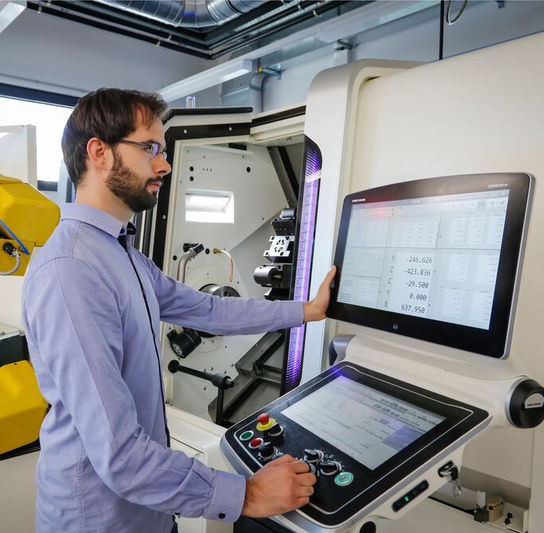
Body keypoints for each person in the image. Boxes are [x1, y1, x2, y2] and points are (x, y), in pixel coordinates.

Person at [22, 88, 337, 533]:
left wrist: (306, 310)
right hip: (99, 521)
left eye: (164, 151)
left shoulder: (123, 255)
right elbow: (120, 455)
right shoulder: (72, 270)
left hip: (149, 515)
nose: (164, 165)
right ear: (99, 152)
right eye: (150, 149)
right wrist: (246, 495)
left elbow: (211, 311)